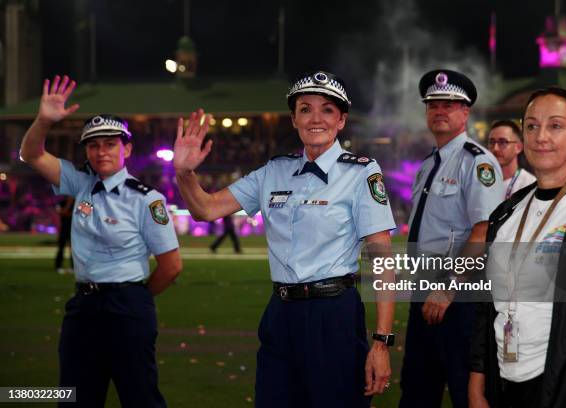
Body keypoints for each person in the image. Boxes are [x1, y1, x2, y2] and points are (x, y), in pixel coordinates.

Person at [174, 70, 397, 408]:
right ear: (294, 119)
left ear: (341, 120)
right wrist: (184, 173)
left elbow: (382, 259)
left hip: (332, 314)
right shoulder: (273, 171)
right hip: (281, 313)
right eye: (305, 109)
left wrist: (381, 343)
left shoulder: (361, 172)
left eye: (327, 110)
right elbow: (205, 209)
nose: (315, 118)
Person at [19, 75, 182, 407]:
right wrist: (44, 120)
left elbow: (171, 266)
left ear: (127, 148)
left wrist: (133, 294)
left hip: (128, 308)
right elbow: (32, 154)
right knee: (75, 398)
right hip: (84, 308)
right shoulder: (79, 184)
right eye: (93, 145)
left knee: (140, 397)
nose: (101, 151)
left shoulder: (146, 200)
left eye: (110, 144)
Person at [469, 87, 566, 408]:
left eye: (556, 125)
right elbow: (485, 306)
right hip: (504, 381)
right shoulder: (506, 212)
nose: (540, 136)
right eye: (531, 126)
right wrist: (478, 382)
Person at [399, 69, 504, 408]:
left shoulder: (477, 162)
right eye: (433, 104)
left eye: (450, 104)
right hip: (424, 288)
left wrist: (447, 287)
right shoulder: (429, 164)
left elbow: (483, 231)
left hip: (456, 295)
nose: (440, 110)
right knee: (417, 391)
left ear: (465, 112)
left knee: (465, 390)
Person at [487, 120, 536, 199]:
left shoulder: (529, 185)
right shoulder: (480, 181)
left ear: (519, 147)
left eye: (502, 142)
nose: (495, 148)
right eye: (492, 142)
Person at [55, 195, 74, 274]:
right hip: (64, 229)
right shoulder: (62, 202)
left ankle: (74, 267)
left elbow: (87, 213)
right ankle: (58, 266)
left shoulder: (81, 201)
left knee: (74, 250)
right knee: (61, 248)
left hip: (75, 230)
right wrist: (68, 206)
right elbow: (59, 212)